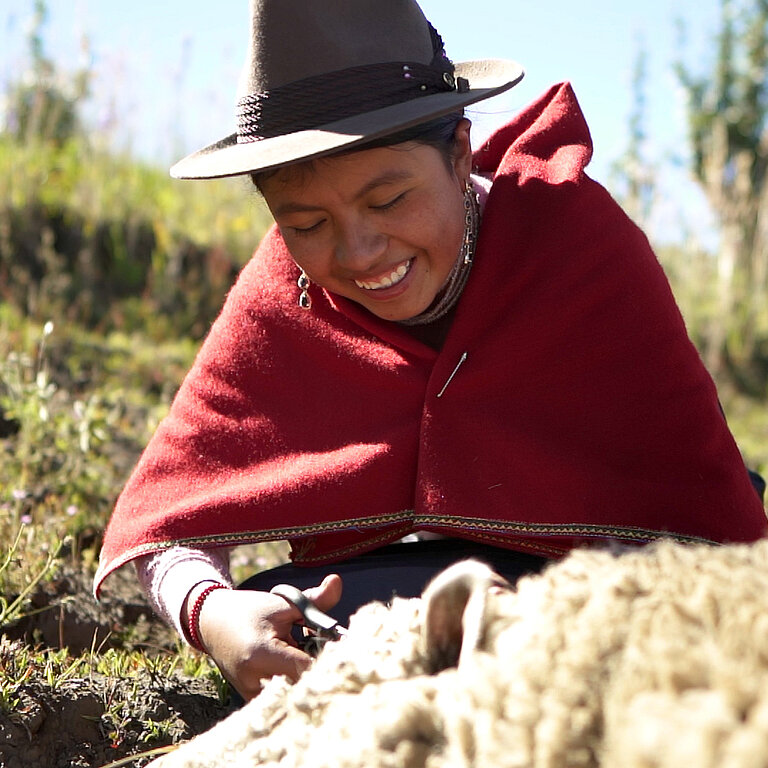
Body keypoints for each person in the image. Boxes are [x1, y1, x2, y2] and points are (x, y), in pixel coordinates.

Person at [94, 0, 767, 702]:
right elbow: (173, 522)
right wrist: (215, 614)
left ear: (459, 153)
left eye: (387, 201)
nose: (358, 251)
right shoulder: (281, 289)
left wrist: (545, 623)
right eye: (309, 221)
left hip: (590, 621)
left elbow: (706, 517)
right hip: (371, 627)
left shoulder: (579, 251)